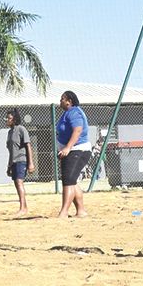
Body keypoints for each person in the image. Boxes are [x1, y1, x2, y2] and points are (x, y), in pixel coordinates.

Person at [51, 91, 91, 219]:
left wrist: (68, 147)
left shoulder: (74, 112)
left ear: (69, 101)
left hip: (78, 149)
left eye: (62, 99)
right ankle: (81, 211)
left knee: (68, 181)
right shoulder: (67, 113)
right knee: (71, 181)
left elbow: (77, 130)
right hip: (70, 150)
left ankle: (64, 212)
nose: (60, 101)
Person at [4, 108, 35, 215]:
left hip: (21, 160)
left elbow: (28, 146)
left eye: (9, 118)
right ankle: (24, 207)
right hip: (13, 162)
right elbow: (11, 151)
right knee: (17, 184)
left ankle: (22, 208)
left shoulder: (21, 129)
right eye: (7, 118)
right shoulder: (9, 132)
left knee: (19, 182)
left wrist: (30, 163)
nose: (7, 120)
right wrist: (9, 166)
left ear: (14, 120)